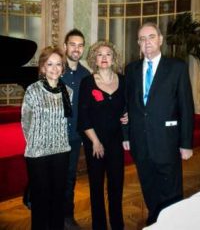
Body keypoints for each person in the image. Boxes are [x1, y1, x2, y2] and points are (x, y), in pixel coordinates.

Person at [125, 22, 195, 226]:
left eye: (151, 37)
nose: (147, 42)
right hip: (141, 141)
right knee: (148, 185)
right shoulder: (131, 69)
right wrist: (127, 135)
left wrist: (186, 143)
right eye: (142, 39)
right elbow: (127, 106)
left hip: (167, 141)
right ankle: (155, 219)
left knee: (171, 189)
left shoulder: (177, 67)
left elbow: (186, 107)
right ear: (138, 43)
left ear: (160, 40)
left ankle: (172, 223)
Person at [21, 46, 73, 230]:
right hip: (38, 155)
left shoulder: (68, 91)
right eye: (49, 64)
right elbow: (25, 122)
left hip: (61, 152)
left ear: (63, 67)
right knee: (41, 200)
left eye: (58, 64)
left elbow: (66, 120)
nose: (54, 68)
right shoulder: (33, 90)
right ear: (42, 67)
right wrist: (37, 142)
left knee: (58, 198)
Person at [78, 41, 128, 230]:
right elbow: (83, 117)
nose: (104, 58)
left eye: (108, 54)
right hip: (95, 143)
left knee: (116, 186)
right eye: (100, 54)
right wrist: (95, 142)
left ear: (113, 58)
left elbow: (129, 105)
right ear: (94, 59)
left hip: (116, 142)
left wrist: (128, 113)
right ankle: (99, 226)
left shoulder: (123, 81)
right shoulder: (87, 82)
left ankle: (118, 225)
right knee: (96, 188)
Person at [61, 29, 90, 229]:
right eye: (72, 44)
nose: (76, 49)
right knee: (52, 176)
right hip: (55, 135)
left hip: (73, 137)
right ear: (65, 46)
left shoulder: (86, 75)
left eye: (80, 45)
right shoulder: (55, 69)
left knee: (70, 178)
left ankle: (67, 217)